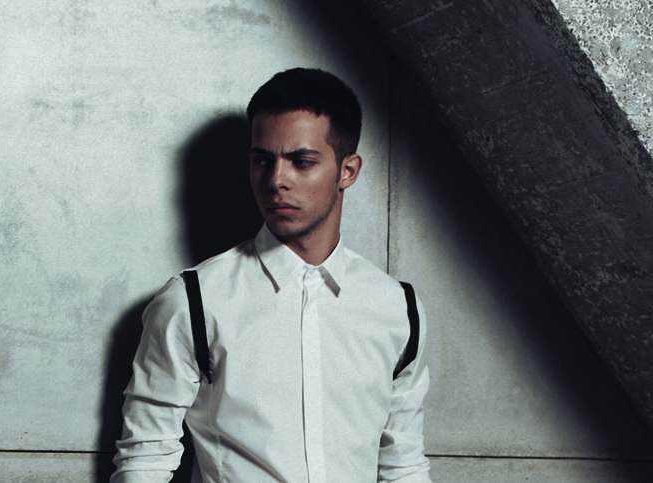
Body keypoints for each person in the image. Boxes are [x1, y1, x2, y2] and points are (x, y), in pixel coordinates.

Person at [111, 68, 431, 482]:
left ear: (348, 171)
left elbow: (403, 464)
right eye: (262, 161)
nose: (277, 181)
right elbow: (146, 458)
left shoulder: (396, 307)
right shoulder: (195, 300)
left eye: (302, 162)